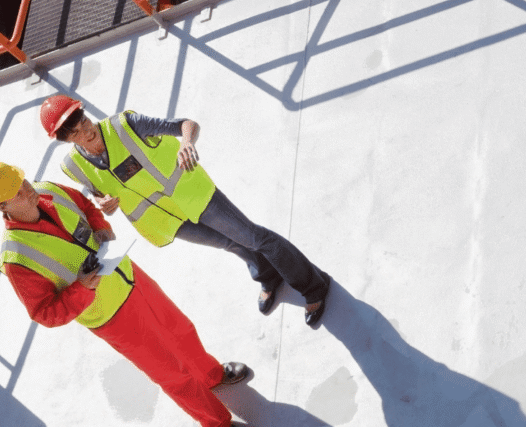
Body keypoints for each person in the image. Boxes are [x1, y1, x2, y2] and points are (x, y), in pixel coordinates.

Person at [0, 161, 253, 427]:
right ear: (0, 206)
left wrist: (103, 229)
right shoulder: (17, 258)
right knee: (170, 371)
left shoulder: (50, 190)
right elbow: (45, 313)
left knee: (180, 329)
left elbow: (87, 208)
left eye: (23, 181)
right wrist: (83, 288)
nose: (27, 190)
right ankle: (218, 425)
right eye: (16, 192)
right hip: (111, 316)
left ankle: (211, 375)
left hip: (130, 276)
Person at [38, 95, 331, 328]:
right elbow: (97, 193)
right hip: (166, 221)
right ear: (67, 140)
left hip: (194, 194)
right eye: (76, 133)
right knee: (229, 243)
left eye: (85, 121)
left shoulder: (125, 125)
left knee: (255, 238)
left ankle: (314, 286)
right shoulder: (72, 166)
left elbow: (187, 124)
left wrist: (186, 143)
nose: (87, 132)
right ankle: (267, 274)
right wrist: (104, 204)